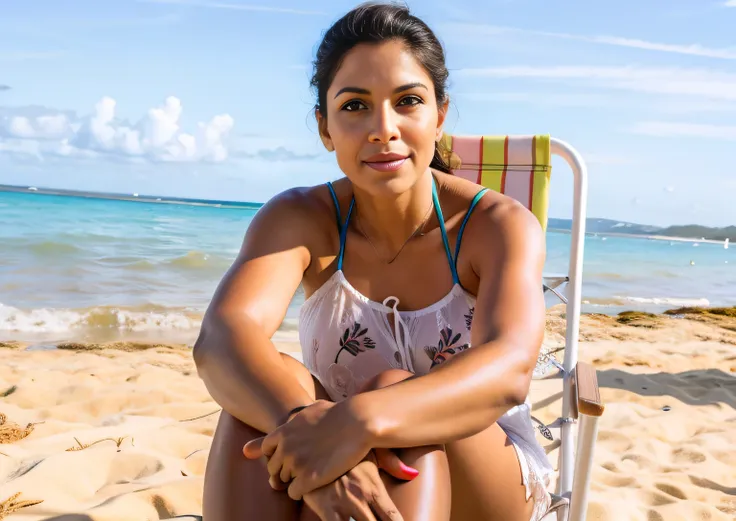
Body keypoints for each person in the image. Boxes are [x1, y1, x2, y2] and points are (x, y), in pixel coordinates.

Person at [193, 2, 553, 520]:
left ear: (439, 116)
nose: (383, 128)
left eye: (407, 101)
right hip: (330, 454)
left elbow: (508, 371)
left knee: (395, 388)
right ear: (325, 127)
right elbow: (222, 341)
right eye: (355, 106)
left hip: (484, 471)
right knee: (261, 397)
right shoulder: (301, 217)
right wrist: (313, 431)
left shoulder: (496, 225)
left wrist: (359, 423)